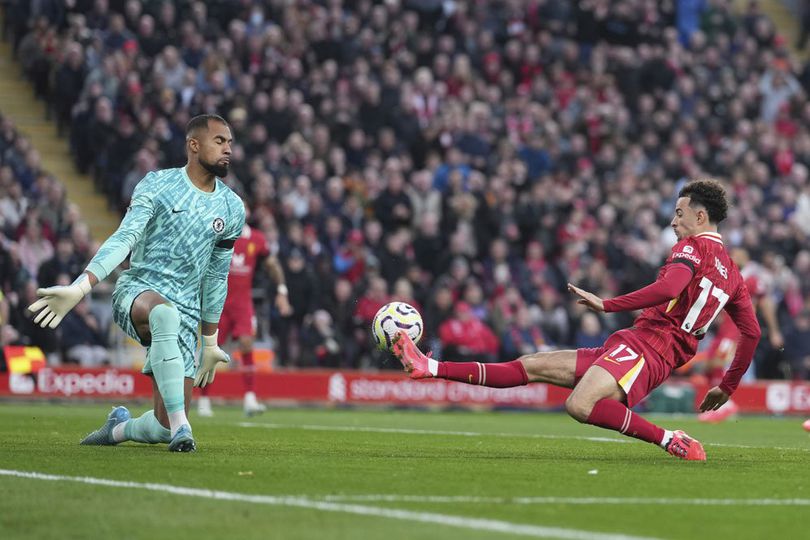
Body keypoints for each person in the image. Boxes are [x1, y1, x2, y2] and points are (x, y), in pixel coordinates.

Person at [393, 179, 761, 461]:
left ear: (700, 216)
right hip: (642, 346)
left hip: (649, 347)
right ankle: (429, 366)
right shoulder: (732, 273)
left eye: (679, 214)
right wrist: (727, 387)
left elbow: (669, 288)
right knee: (533, 365)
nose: (673, 221)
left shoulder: (691, 247)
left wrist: (608, 304)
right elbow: (752, 333)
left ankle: (669, 439)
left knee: (579, 405)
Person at [27, 114, 245, 452]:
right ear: (194, 145)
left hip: (188, 311)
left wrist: (210, 342)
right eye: (220, 141)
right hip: (138, 293)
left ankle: (118, 429)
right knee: (164, 315)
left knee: (160, 425)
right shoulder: (157, 185)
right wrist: (82, 286)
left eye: (230, 142)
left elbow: (217, 276)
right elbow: (125, 237)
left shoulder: (231, 207)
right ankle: (183, 428)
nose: (228, 149)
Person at [197, 201, 292, 417]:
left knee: (247, 344)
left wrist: (282, 291)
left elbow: (272, 264)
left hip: (242, 302)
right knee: (210, 350)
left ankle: (250, 398)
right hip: (217, 302)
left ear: (247, 212)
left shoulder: (256, 239)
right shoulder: (219, 233)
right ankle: (203, 400)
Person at [698, 247, 783, 423]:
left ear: (746, 258)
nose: (733, 258)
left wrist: (774, 331)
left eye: (737, 255)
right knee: (709, 365)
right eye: (732, 255)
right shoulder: (727, 275)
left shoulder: (752, 278)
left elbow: (765, 303)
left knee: (720, 362)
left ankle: (727, 406)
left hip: (736, 330)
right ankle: (717, 405)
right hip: (723, 331)